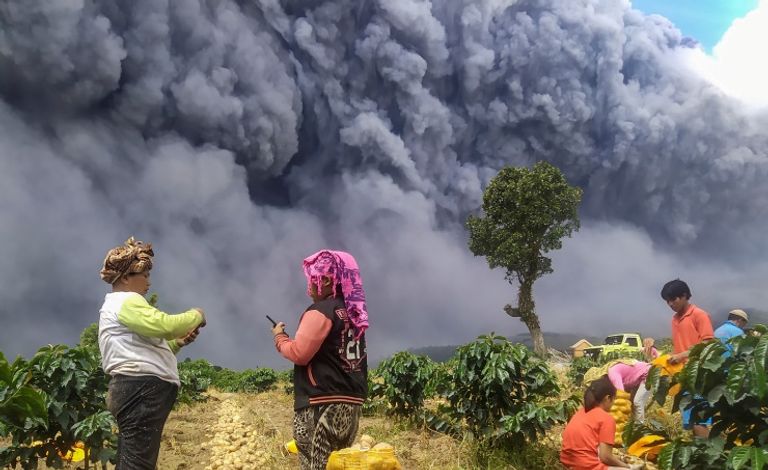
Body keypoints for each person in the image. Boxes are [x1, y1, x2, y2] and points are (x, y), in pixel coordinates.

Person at [98, 237, 206, 469]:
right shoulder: (126, 301)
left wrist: (177, 344)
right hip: (140, 389)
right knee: (137, 464)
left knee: (136, 459)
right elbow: (165, 325)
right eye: (144, 276)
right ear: (127, 277)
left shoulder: (118, 306)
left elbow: (143, 346)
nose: (148, 282)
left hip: (135, 388)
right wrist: (196, 314)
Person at [272, 250, 368, 470]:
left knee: (315, 462)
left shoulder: (321, 311)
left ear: (325, 280)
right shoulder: (354, 315)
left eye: (311, 280)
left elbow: (299, 353)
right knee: (337, 463)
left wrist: (279, 337)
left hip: (321, 402)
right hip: (350, 402)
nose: (309, 287)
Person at [660, 279, 714, 438]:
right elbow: (680, 346)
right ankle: (698, 453)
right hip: (683, 375)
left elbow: (707, 342)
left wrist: (682, 355)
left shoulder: (699, 315)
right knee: (689, 418)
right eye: (667, 301)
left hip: (699, 374)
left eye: (673, 299)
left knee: (700, 419)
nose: (670, 304)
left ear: (684, 295)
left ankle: (706, 455)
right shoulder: (675, 319)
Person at [561, 375, 642, 470]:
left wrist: (620, 459)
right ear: (608, 398)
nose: (613, 404)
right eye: (614, 399)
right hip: (585, 466)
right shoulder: (606, 419)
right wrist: (628, 467)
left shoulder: (581, 412)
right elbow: (605, 457)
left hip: (567, 462)